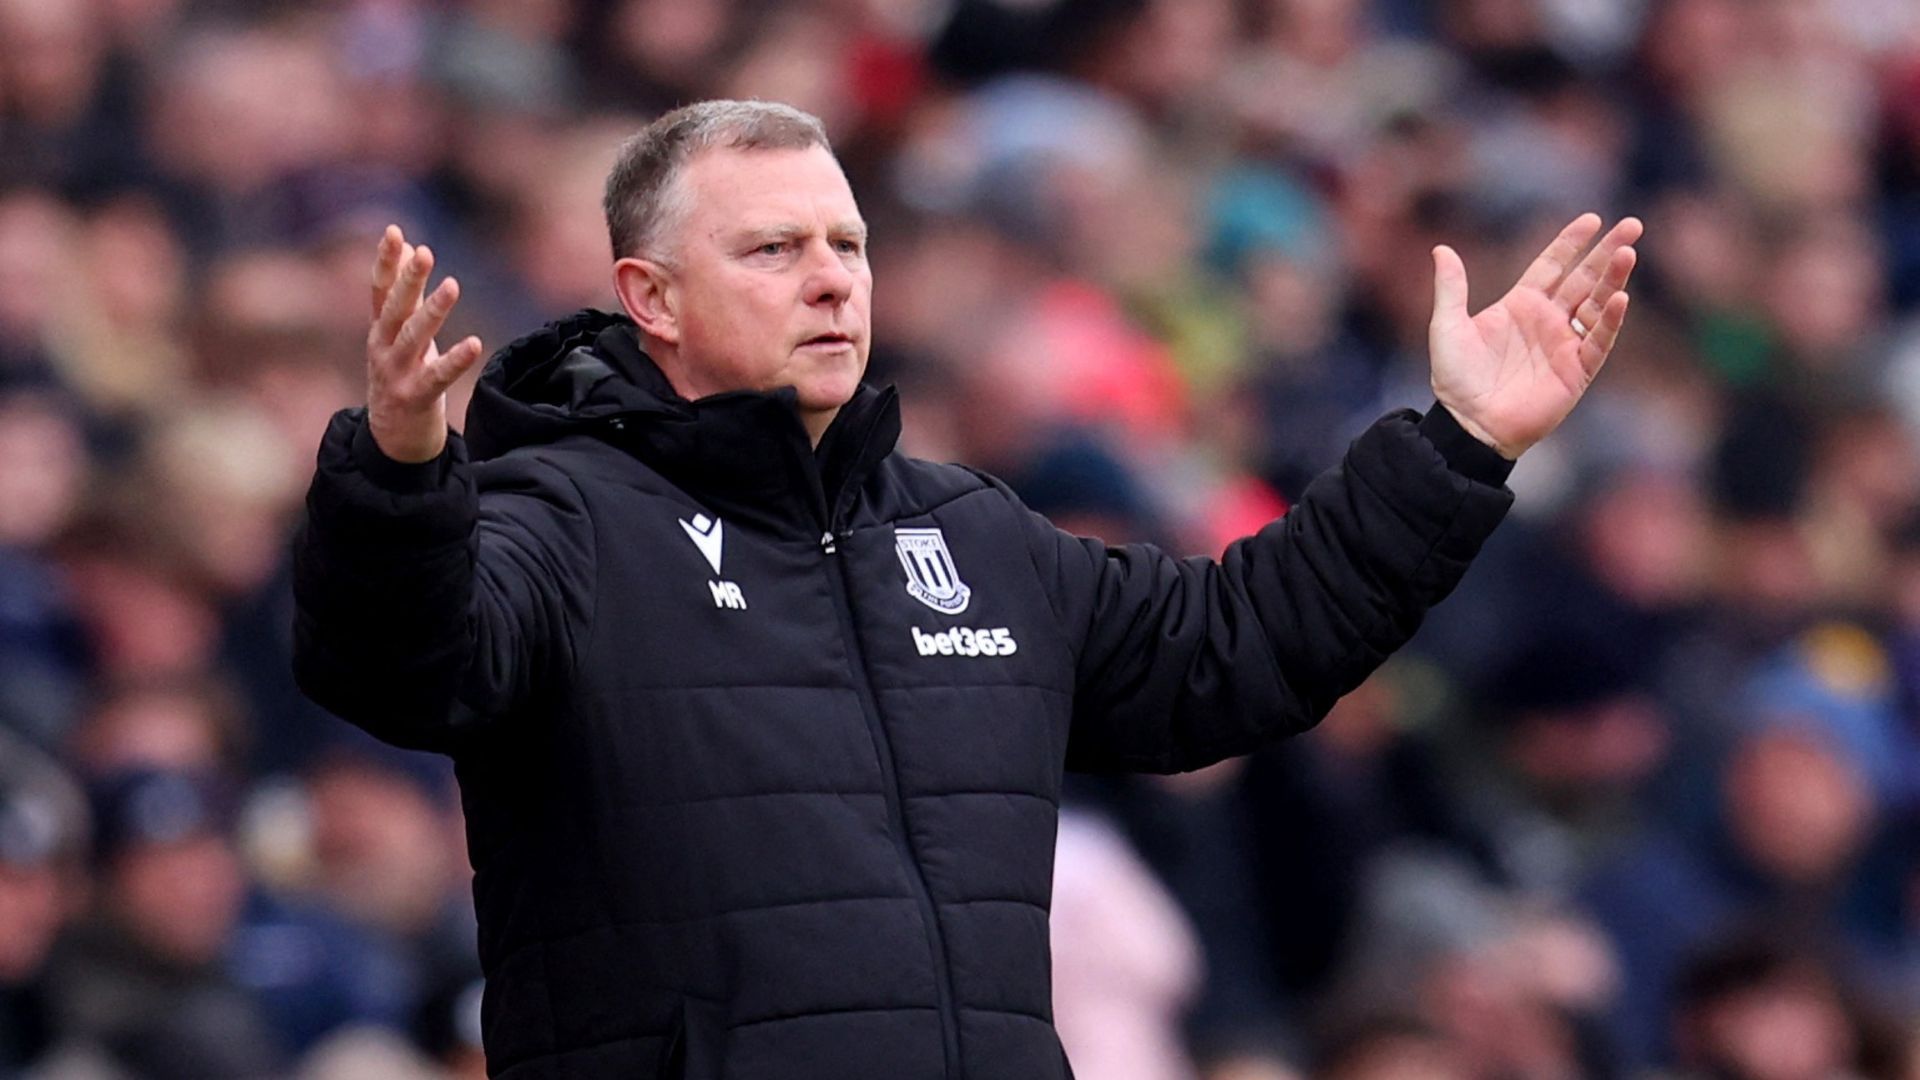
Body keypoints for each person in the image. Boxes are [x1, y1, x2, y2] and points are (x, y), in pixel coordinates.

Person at [291, 100, 1639, 1080]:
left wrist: (1465, 446)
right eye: (772, 251)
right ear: (651, 297)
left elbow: (1241, 649)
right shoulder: (566, 519)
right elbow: (401, 662)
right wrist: (405, 472)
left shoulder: (969, 532)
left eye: (849, 244)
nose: (830, 277)